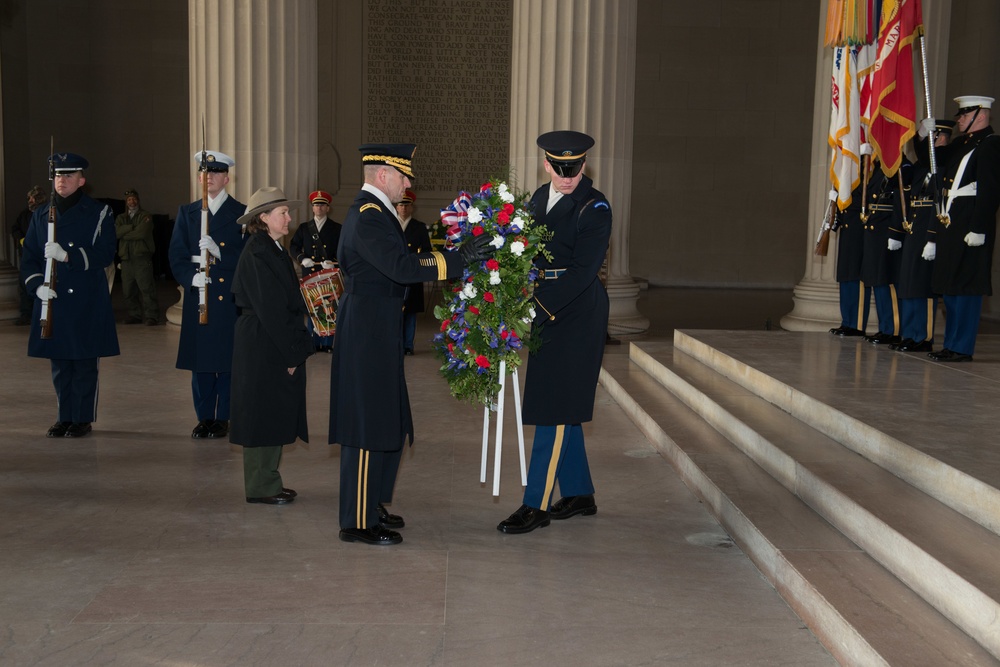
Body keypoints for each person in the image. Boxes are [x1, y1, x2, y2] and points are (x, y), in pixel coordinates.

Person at [329, 143, 491, 546]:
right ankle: (357, 521)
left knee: (388, 415)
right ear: (383, 175)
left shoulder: (378, 213)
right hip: (367, 327)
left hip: (377, 325)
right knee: (367, 422)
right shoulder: (368, 216)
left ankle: (373, 504)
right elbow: (401, 267)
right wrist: (457, 260)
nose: (407, 184)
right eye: (403, 176)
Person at [498, 130, 612, 535]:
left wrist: (537, 307)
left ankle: (537, 503)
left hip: (577, 312)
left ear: (585, 165)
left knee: (556, 408)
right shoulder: (535, 200)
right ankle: (579, 492)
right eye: (560, 168)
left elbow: (583, 273)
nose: (567, 176)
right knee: (557, 401)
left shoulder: (594, 207)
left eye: (575, 167)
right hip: (545, 307)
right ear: (546, 164)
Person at [20, 153, 119, 438]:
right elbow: (29, 258)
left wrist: (68, 256)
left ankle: (82, 418)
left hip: (85, 296)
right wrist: (37, 285)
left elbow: (104, 253)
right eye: (58, 176)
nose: (61, 181)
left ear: (81, 180)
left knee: (85, 362)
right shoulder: (41, 214)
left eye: (68, 176)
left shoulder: (99, 212)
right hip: (53, 297)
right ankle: (64, 415)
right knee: (60, 362)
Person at [230, 187, 312, 505]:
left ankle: (269, 480)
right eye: (283, 213)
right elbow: (272, 310)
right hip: (263, 341)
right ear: (263, 218)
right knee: (260, 415)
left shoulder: (273, 248)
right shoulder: (258, 252)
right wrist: (291, 353)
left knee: (273, 412)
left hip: (270, 339)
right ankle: (260, 485)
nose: (289, 217)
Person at [168, 150, 246, 438]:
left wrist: (221, 253)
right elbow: (176, 254)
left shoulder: (241, 213)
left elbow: (248, 259)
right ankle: (204, 416)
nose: (208, 177)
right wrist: (192, 278)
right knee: (200, 362)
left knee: (226, 361)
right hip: (199, 294)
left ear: (226, 178)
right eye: (204, 172)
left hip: (227, 296)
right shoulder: (187, 212)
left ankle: (223, 416)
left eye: (214, 172)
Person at [924, 96, 1000, 362]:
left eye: (963, 115)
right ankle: (951, 344)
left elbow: (990, 191)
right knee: (951, 286)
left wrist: (979, 227)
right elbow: (931, 160)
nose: (958, 120)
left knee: (966, 288)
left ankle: (962, 347)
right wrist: (927, 134)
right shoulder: (960, 144)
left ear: (980, 115)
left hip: (970, 225)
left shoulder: (991, 145)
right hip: (951, 224)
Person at [890, 119, 954, 352]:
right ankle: (910, 333)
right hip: (914, 229)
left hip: (929, 229)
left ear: (943, 138)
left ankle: (923, 336)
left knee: (923, 287)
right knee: (908, 284)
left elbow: (940, 204)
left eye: (934, 137)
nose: (931, 142)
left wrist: (932, 238)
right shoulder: (923, 167)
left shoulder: (945, 164)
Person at [860, 152, 908, 346]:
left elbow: (900, 200)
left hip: (886, 230)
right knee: (877, 281)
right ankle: (885, 327)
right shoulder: (880, 167)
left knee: (887, 282)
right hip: (875, 229)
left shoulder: (899, 165)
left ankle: (894, 329)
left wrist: (895, 231)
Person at [289, 189, 340, 353]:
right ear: (312, 208)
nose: (319, 208)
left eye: (322, 205)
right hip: (310, 272)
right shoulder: (304, 228)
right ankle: (314, 341)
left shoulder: (337, 228)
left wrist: (334, 262)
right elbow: (293, 246)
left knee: (329, 306)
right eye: (316, 205)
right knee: (313, 306)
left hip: (328, 273)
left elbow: (343, 249)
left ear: (328, 208)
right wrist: (302, 258)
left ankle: (327, 342)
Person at [829, 178, 870, 337]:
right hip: (847, 229)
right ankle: (847, 321)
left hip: (858, 230)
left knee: (855, 276)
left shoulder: (866, 172)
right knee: (845, 276)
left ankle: (857, 324)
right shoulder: (849, 174)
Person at [115, 188, 160, 325]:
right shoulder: (121, 218)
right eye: (129, 199)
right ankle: (134, 315)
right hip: (126, 259)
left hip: (141, 258)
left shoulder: (145, 215)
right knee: (128, 290)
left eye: (134, 199)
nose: (132, 201)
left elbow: (141, 233)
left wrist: (125, 231)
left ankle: (152, 316)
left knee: (146, 288)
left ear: (138, 201)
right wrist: (131, 228)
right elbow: (116, 233)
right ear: (126, 202)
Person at [396, 188, 431, 354]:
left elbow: (426, 250)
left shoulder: (419, 227)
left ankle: (408, 345)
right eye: (401, 205)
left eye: (407, 205)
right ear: (396, 206)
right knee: (394, 312)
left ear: (412, 207)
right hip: (394, 274)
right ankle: (395, 345)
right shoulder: (390, 225)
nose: (403, 208)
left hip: (413, 274)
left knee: (410, 313)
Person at [11, 185, 46, 325]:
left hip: (42, 255)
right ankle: (26, 314)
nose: (30, 200)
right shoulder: (24, 214)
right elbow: (15, 229)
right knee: (25, 284)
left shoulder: (46, 213)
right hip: (26, 254)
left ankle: (41, 314)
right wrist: (21, 239)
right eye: (29, 198)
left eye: (33, 198)